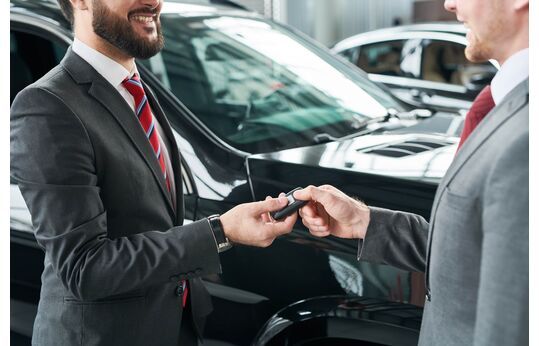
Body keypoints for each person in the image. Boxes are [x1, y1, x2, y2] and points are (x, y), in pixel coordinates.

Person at [10, 0, 296, 345]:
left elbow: (151, 218)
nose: (155, 2)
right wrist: (221, 232)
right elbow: (84, 268)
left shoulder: (135, 88)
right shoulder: (45, 106)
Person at [294, 0, 529, 345]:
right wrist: (366, 222)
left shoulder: (526, 136)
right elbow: (475, 257)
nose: (449, 3)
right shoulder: (507, 104)